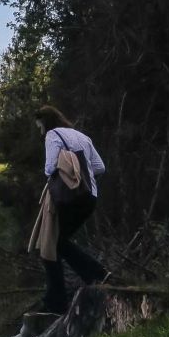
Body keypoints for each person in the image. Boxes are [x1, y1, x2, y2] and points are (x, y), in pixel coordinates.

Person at [35, 105, 106, 314]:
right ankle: (93, 277)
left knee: (52, 243)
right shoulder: (81, 136)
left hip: (68, 198)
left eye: (39, 126)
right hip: (89, 197)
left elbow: (49, 168)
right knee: (58, 243)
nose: (40, 131)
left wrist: (67, 176)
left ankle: (59, 301)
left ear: (45, 122)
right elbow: (100, 167)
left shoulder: (52, 135)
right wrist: (83, 178)